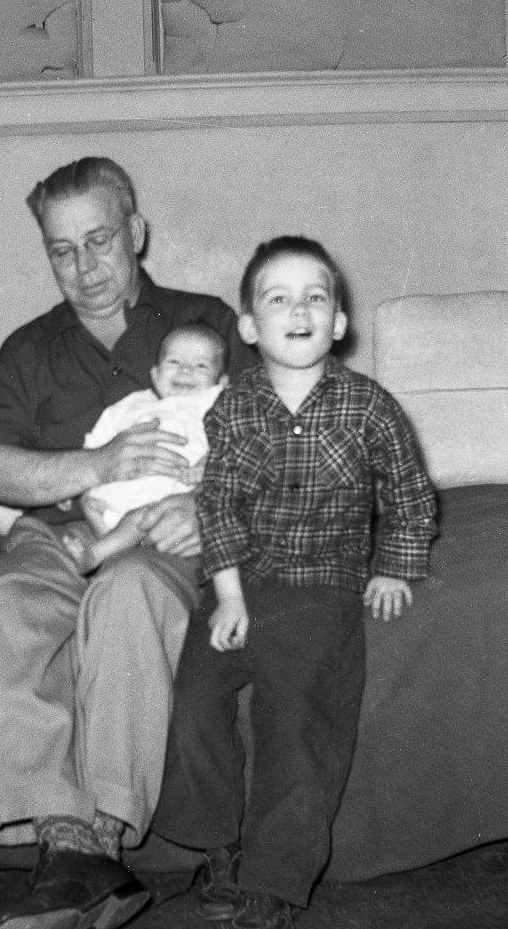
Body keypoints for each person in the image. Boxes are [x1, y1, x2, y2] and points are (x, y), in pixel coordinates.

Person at [0, 156, 257, 929]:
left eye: (99, 241)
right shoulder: (30, 349)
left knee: (127, 593)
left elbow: (272, 432)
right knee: (7, 598)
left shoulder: (209, 324)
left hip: (166, 531)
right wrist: (94, 463)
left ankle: (97, 840)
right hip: (58, 534)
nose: (84, 266)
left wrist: (207, 504)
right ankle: (65, 842)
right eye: (62, 250)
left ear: (137, 233)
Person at [152, 235, 437, 929]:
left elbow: (410, 494)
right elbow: (215, 502)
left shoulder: (369, 407)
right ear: (250, 327)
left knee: (296, 720)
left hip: (320, 586)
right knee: (191, 702)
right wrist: (226, 596)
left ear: (339, 320)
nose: (299, 309)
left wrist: (395, 566)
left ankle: (273, 881)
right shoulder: (236, 407)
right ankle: (220, 846)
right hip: (240, 577)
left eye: (316, 295)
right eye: (277, 298)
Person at [62, 321, 227, 573]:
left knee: (142, 518)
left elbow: (232, 448)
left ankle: (95, 556)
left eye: (201, 365)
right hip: (118, 495)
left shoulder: (217, 409)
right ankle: (113, 554)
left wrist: (208, 466)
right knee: (91, 503)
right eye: (174, 362)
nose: (185, 370)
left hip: (168, 502)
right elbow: (93, 447)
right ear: (155, 374)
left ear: (221, 383)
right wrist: (70, 484)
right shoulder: (132, 405)